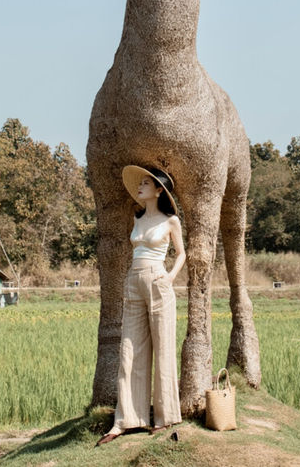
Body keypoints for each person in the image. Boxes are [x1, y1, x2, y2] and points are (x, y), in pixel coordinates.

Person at [96, 165, 186, 446]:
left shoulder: (171, 221)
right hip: (133, 281)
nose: (140, 187)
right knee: (129, 350)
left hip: (158, 281)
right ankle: (126, 420)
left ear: (159, 190)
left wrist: (169, 277)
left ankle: (165, 418)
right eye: (141, 183)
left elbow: (181, 253)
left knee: (163, 347)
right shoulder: (137, 220)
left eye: (146, 183)